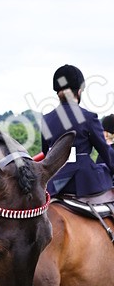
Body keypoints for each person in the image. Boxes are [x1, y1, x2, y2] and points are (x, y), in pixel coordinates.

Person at [41, 64, 114, 198]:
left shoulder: (46, 119)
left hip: (54, 185)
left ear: (58, 93)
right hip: (84, 183)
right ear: (79, 91)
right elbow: (105, 151)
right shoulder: (88, 117)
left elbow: (47, 154)